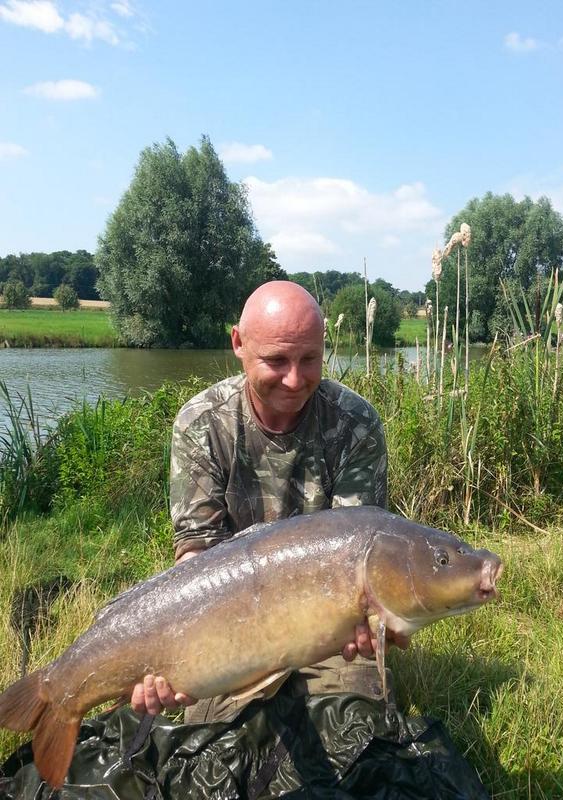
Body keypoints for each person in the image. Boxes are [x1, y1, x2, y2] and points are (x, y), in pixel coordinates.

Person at [131, 280, 409, 720]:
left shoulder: (355, 423)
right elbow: (197, 555)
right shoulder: (201, 422)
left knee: (358, 725)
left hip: (324, 627)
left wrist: (373, 618)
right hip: (228, 624)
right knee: (213, 734)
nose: (295, 379)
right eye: (276, 360)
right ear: (238, 344)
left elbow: (358, 550)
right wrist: (177, 656)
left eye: (309, 359)